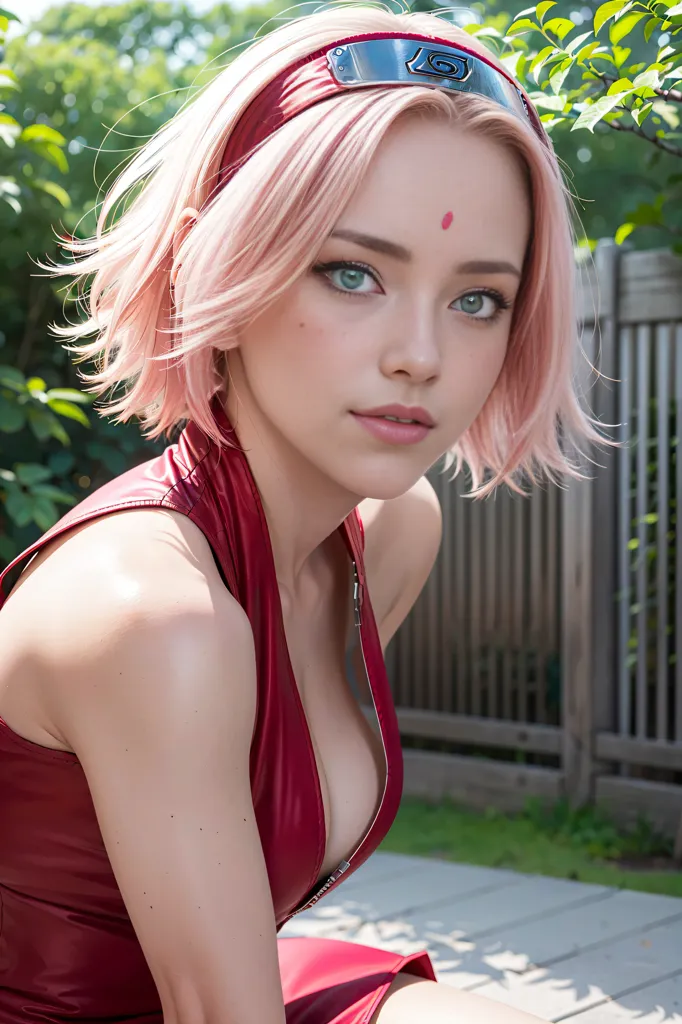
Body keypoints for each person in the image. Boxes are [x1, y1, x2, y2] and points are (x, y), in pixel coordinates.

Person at [0, 5, 603, 1022]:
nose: (420, 352)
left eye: (476, 298)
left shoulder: (392, 535)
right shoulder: (154, 617)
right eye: (351, 272)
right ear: (220, 269)